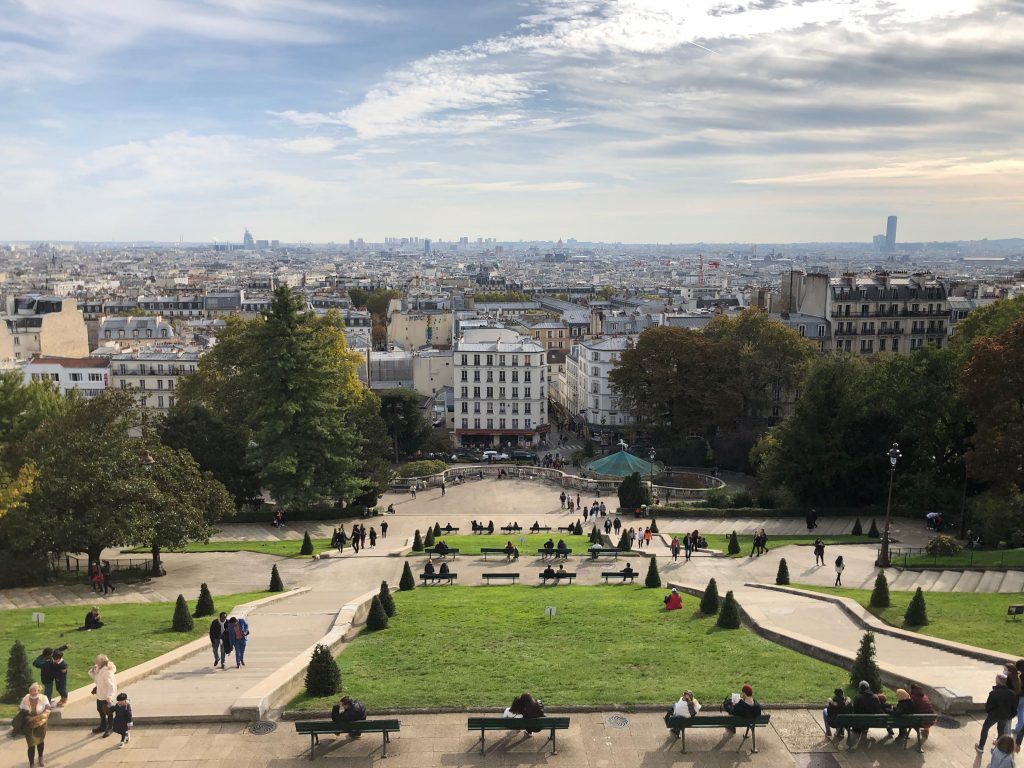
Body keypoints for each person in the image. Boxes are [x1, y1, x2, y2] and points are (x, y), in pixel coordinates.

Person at [978, 673, 1018, 753]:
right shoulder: (1012, 694)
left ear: (997, 681)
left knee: (985, 729)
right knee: (1001, 732)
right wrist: (1010, 716)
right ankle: (997, 749)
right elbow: (1014, 708)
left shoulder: (994, 693)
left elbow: (988, 707)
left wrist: (990, 713)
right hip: (1005, 716)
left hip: (994, 715)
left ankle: (981, 747)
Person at [19, 683, 51, 767]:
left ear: (38, 690)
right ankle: (31, 764)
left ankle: (40, 758)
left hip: (41, 723)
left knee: (40, 741)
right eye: (31, 690)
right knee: (31, 745)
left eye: (35, 690)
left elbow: (48, 710)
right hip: (28, 724)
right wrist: (26, 716)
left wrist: (35, 718)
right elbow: (20, 709)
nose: (32, 692)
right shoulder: (26, 697)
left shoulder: (44, 698)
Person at [88, 654, 117, 737]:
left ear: (101, 662)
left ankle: (110, 727)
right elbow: (97, 679)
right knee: (100, 710)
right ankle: (103, 726)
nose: (95, 662)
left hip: (106, 696)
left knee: (108, 712)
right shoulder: (100, 669)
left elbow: (111, 685)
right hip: (100, 695)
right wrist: (92, 671)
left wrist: (110, 696)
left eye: (97, 661)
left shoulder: (107, 672)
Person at [848, 680, 882, 746]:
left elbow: (854, 710)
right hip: (872, 721)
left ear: (860, 688)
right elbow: (878, 710)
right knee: (865, 720)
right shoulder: (875, 697)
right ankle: (863, 734)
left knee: (859, 720)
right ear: (868, 688)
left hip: (859, 721)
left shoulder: (857, 697)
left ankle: (857, 738)